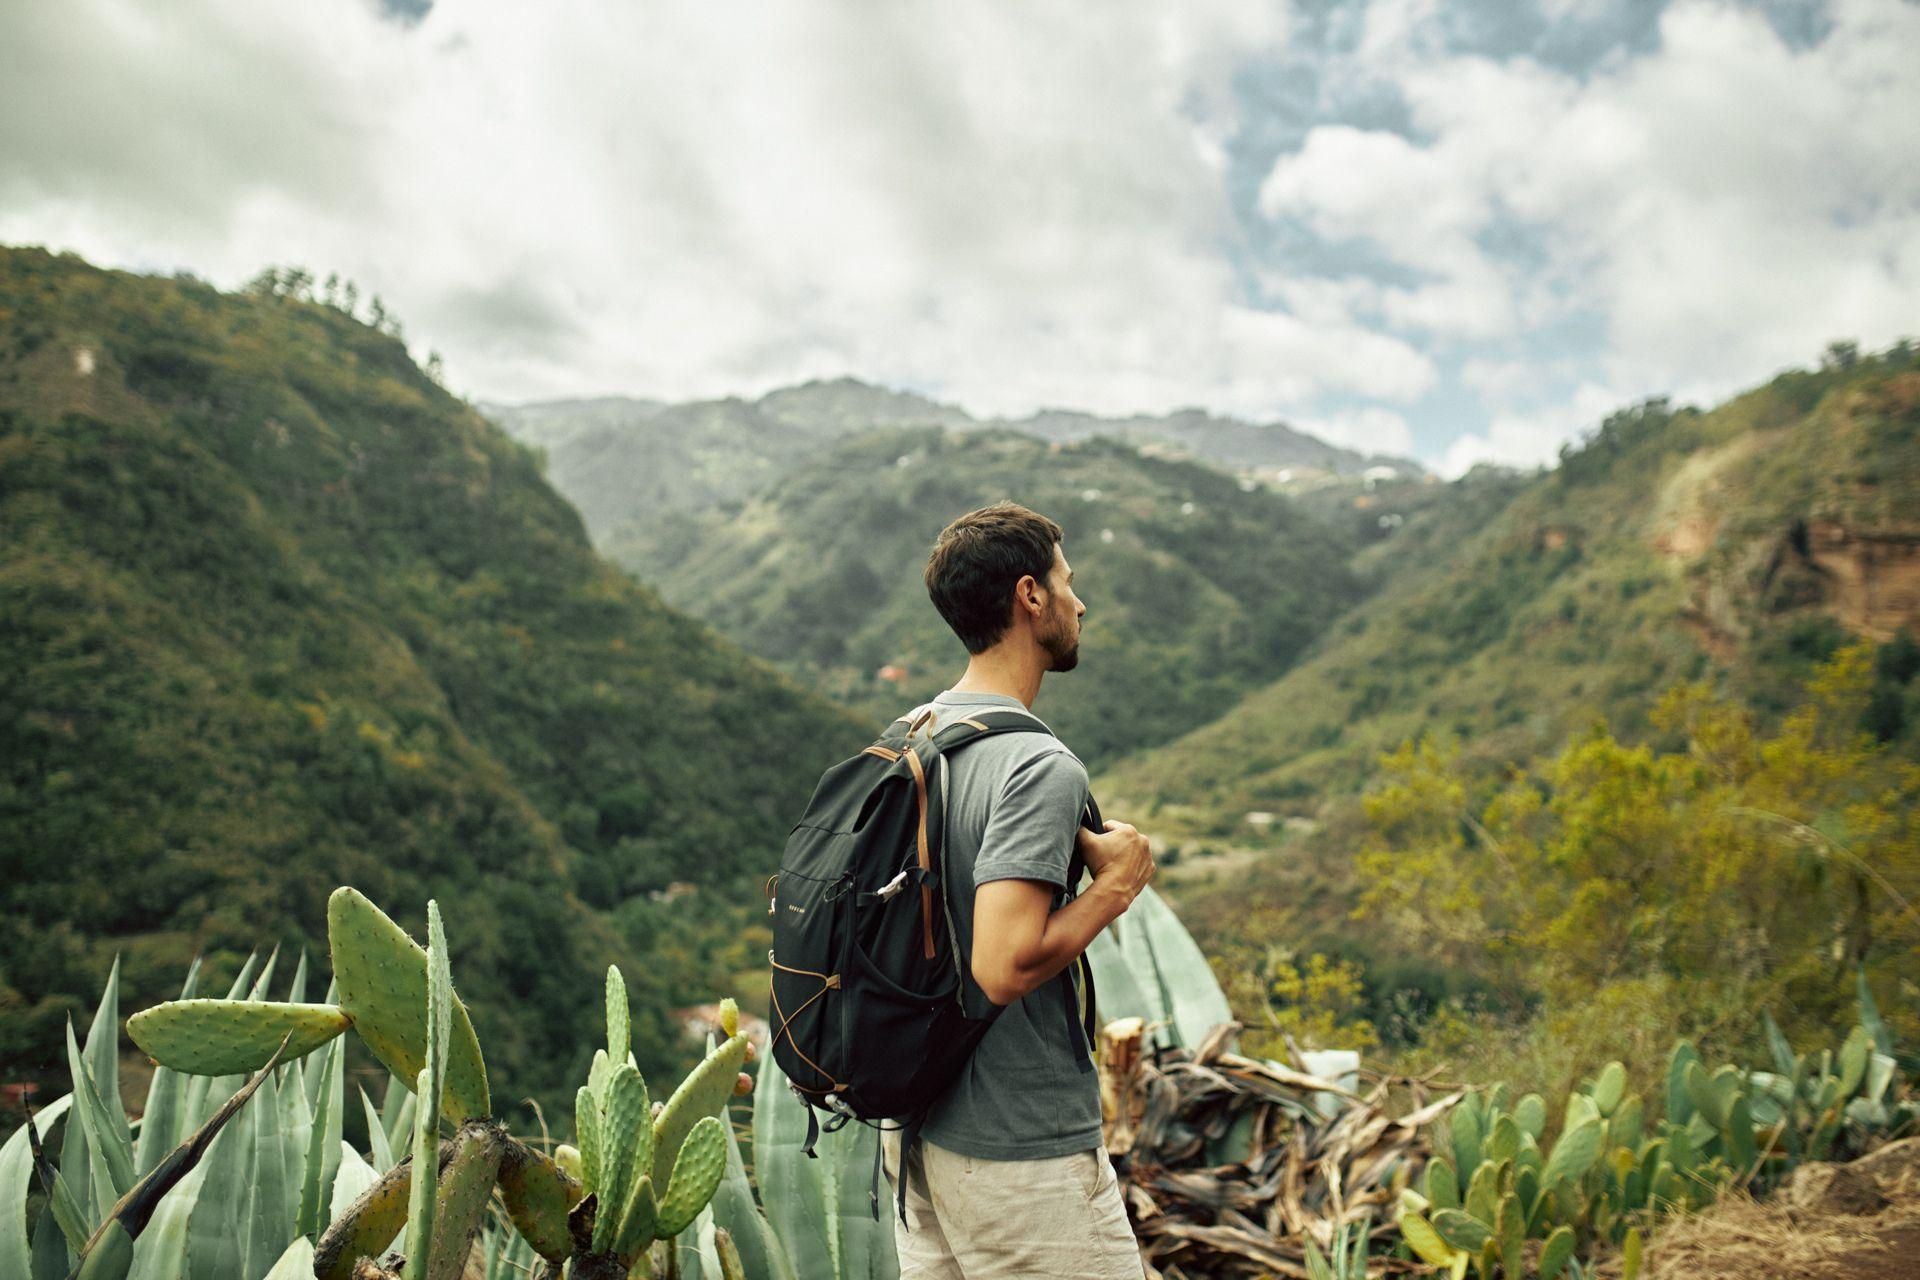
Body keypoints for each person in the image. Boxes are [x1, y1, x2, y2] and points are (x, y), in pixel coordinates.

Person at [880, 500, 1156, 1279]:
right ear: (1030, 596)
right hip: (1017, 1146)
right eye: (1068, 582)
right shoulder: (1038, 765)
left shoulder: (914, 732)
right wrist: (1116, 887)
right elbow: (1002, 965)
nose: (1080, 601)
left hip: (916, 1130)